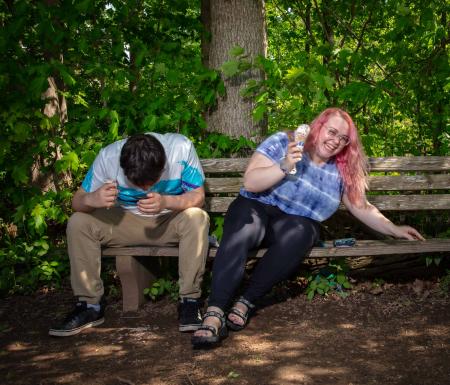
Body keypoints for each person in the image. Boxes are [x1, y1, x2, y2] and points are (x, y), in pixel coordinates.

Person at [191, 107, 424, 348]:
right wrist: (284, 164)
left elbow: (361, 207)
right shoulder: (285, 142)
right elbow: (250, 182)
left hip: (293, 226)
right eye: (331, 132)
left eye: (343, 139)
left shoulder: (342, 168)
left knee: (305, 231)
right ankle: (215, 311)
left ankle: (246, 300)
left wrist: (394, 228)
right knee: (244, 225)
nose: (335, 142)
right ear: (317, 127)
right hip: (256, 208)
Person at [49, 133, 209, 337]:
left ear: (163, 165)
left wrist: (166, 202)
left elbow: (198, 197)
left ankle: (189, 302)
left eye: (152, 181)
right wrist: (92, 199)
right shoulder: (108, 157)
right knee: (78, 222)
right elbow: (77, 202)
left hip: (169, 221)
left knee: (197, 217)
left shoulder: (181, 148)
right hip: (124, 222)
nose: (146, 188)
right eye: (138, 183)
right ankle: (89, 306)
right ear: (124, 168)